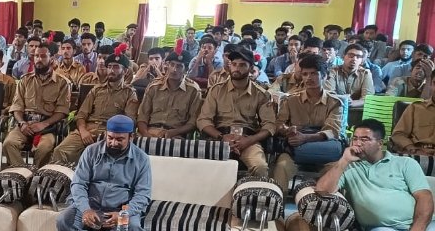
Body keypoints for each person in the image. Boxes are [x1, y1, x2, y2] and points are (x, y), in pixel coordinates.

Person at [56, 115, 152, 231]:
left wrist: (123, 213)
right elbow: (78, 184)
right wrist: (85, 209)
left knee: (133, 228)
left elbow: (143, 195)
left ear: (132, 137)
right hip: (91, 206)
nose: (114, 143)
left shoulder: (141, 159)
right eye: (110, 138)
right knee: (66, 219)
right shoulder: (91, 151)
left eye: (120, 139)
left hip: (120, 209)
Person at [196, 47, 276, 178]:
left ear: (251, 69)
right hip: (219, 138)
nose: (237, 68)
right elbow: (203, 120)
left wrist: (250, 140)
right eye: (234, 64)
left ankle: (249, 197)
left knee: (260, 167)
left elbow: (270, 125)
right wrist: (222, 137)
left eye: (242, 65)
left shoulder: (261, 94)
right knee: (200, 166)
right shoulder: (216, 90)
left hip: (247, 139)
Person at [270, 55, 344, 194]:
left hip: (324, 152)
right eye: (305, 74)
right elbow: (279, 124)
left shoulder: (334, 102)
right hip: (295, 151)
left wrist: (305, 138)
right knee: (281, 166)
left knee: (337, 170)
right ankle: (278, 210)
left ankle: (325, 211)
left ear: (325, 76)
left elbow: (333, 130)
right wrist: (287, 130)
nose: (309, 78)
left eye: (314, 73)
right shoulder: (291, 100)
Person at [52, 53, 139, 167]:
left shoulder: (129, 93)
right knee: (60, 151)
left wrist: (108, 134)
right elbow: (81, 115)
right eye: (109, 66)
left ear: (126, 71)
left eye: (116, 67)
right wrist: (83, 131)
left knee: (100, 159)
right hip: (87, 129)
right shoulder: (96, 90)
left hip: (110, 133)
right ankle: (64, 182)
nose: (111, 70)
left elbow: (129, 121)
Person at [3, 41, 72, 168]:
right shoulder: (25, 80)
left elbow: (62, 111)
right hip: (25, 124)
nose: (39, 59)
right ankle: (23, 174)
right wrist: (22, 123)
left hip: (47, 127)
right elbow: (17, 107)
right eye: (36, 56)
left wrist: (43, 124)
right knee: (9, 143)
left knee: (44, 148)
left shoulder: (62, 83)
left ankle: (37, 177)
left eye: (43, 56)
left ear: (52, 59)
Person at [136, 52, 202, 138]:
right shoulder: (154, 87)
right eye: (172, 65)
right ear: (167, 66)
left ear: (186, 70)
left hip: (175, 134)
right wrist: (145, 134)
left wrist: (174, 132)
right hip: (150, 131)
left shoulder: (193, 90)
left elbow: (193, 122)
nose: (174, 69)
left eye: (179, 66)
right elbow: (142, 116)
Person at [390, 81, 435, 156]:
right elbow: (398, 135)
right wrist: (412, 149)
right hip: (416, 153)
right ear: (430, 85)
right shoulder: (415, 108)